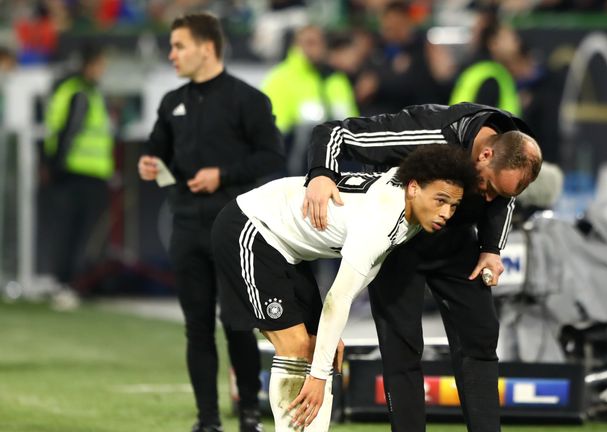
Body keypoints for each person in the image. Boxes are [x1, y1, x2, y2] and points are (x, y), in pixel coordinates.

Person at [302, 102, 542, 432]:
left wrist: (491, 249)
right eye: (485, 185)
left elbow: (503, 198)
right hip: (398, 244)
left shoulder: (509, 149)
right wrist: (321, 174)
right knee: (402, 351)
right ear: (485, 155)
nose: (486, 196)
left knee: (481, 337)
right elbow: (333, 132)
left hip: (456, 245)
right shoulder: (428, 132)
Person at [212, 145, 476, 431]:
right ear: (413, 188)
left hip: (287, 246)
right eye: (441, 200)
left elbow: (356, 284)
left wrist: (327, 342)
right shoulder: (381, 220)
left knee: (319, 351)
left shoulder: (410, 203)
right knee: (297, 347)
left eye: (453, 205)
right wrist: (317, 376)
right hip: (251, 227)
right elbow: (338, 298)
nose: (446, 213)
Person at [137, 12, 284, 432]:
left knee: (237, 323)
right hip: (185, 227)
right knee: (196, 327)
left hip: (233, 228)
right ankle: (207, 421)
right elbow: (156, 149)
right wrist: (149, 162)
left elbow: (271, 156)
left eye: (179, 46)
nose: (172, 55)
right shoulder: (172, 102)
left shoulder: (248, 99)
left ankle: (251, 417)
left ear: (207, 48)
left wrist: (223, 174)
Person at [42, 44, 112, 295]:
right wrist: (56, 167)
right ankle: (67, 283)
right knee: (76, 231)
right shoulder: (80, 93)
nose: (104, 70)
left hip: (82, 172)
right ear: (90, 65)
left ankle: (70, 283)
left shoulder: (83, 91)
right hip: (77, 174)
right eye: (101, 64)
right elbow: (68, 132)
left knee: (75, 230)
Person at [261, 25, 358, 175]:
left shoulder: (336, 79)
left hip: (337, 161)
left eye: (319, 42)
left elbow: (352, 123)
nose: (315, 48)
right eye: (309, 42)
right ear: (296, 46)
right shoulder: (280, 78)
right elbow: (274, 131)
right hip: (295, 164)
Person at [449, 15, 521, 115]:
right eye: (509, 38)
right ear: (493, 43)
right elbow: (483, 124)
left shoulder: (480, 69)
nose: (516, 43)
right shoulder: (489, 77)